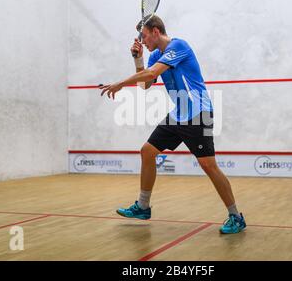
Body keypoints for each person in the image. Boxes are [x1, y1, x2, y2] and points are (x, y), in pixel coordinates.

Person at [99, 15, 246, 234]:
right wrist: (138, 59)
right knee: (147, 152)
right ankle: (143, 206)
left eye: (145, 36)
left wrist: (120, 83)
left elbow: (152, 74)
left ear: (156, 31)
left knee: (208, 165)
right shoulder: (156, 55)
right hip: (178, 115)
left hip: (198, 113)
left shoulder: (179, 46)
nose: (143, 41)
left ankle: (236, 216)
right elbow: (145, 83)